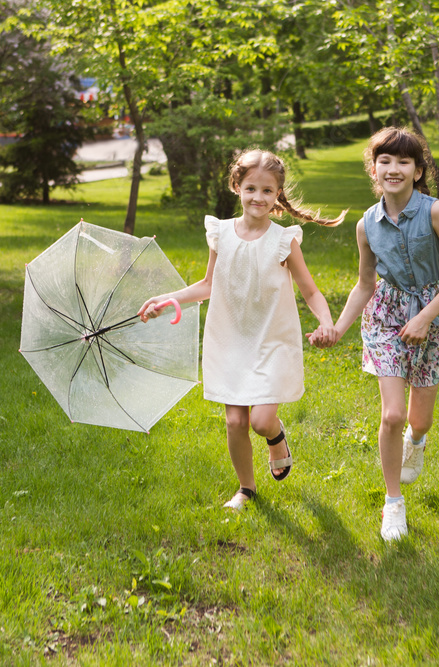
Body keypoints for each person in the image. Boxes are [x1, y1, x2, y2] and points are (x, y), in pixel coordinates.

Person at [138, 149, 346, 510]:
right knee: (236, 421)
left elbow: (309, 290)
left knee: (261, 420)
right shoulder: (221, 233)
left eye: (268, 191)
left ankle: (276, 436)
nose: (259, 197)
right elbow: (208, 285)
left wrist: (326, 322)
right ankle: (245, 489)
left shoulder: (284, 241)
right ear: (237, 186)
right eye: (251, 188)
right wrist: (166, 299)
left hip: (271, 339)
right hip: (231, 339)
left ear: (278, 194)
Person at [310, 127, 439, 541]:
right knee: (392, 414)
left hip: (433, 315)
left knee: (419, 418)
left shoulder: (434, 211)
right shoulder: (366, 224)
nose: (393, 168)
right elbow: (365, 284)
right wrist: (337, 328)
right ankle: (393, 503)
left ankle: (416, 442)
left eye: (403, 162)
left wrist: (425, 319)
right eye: (385, 161)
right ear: (374, 168)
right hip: (385, 315)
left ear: (418, 171)